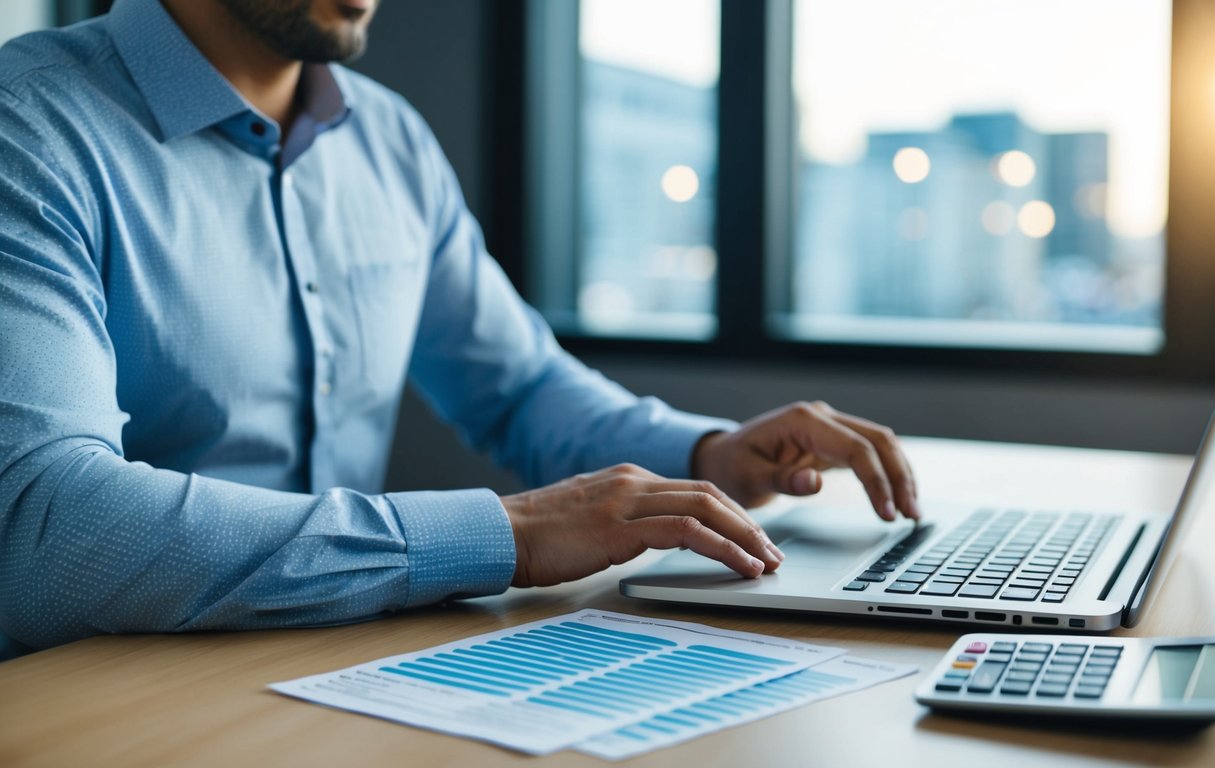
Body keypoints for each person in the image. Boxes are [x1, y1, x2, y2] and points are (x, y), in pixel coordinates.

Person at [0, 0, 918, 656]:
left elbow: (515, 387)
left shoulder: (389, 142)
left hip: (325, 666)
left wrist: (710, 456)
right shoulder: (29, 128)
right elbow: (45, 529)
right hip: (91, 690)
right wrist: (504, 533)